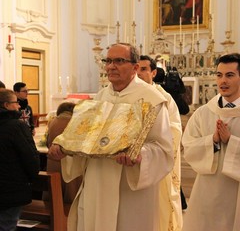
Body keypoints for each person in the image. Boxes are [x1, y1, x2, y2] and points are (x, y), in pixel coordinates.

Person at [48, 43, 174, 231]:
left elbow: (164, 149)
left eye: (119, 61)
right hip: (96, 183)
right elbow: (84, 138)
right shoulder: (99, 98)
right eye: (108, 61)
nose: (111, 66)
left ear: (135, 67)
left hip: (130, 187)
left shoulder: (151, 99)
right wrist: (63, 148)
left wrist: (140, 155)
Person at [182, 53, 240, 231]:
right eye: (219, 75)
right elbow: (189, 146)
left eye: (229, 75)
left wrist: (231, 141)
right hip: (207, 189)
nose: (223, 81)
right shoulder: (204, 112)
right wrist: (213, 140)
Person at [137, 55, 183, 231]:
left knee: (157, 207)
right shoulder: (128, 94)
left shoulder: (163, 98)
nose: (139, 73)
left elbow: (175, 129)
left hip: (154, 159)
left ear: (153, 72)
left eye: (144, 69)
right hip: (129, 161)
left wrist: (148, 138)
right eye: (137, 69)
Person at [0, 89, 40, 230]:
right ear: (6, 105)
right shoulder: (16, 126)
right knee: (7, 226)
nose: (18, 106)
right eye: (15, 102)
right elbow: (30, 157)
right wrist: (32, 178)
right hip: (10, 189)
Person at [46, 102, 82, 204]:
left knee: (55, 193)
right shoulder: (73, 121)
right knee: (69, 196)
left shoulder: (53, 121)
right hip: (68, 162)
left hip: (53, 162)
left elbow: (47, 141)